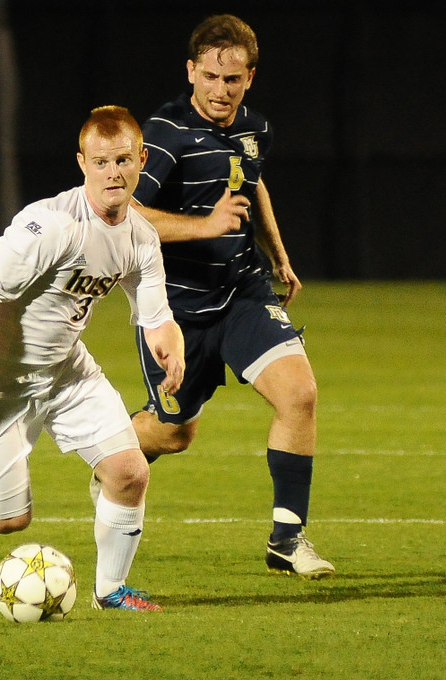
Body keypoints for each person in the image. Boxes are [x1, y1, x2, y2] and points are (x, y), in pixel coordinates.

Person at [0, 105, 185, 612]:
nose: (114, 173)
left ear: (142, 160)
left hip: (67, 371)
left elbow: (156, 317)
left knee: (130, 471)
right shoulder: (48, 226)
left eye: (124, 160)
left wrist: (169, 346)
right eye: (102, 161)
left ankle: (111, 591)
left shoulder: (141, 239)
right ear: (82, 163)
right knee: (8, 522)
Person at [129, 14, 334, 578]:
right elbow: (129, 213)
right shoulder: (163, 136)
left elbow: (253, 180)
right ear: (191, 71)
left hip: (241, 292)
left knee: (299, 394)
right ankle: (113, 460)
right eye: (212, 77)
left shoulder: (254, 128)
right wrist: (205, 225)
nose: (222, 90)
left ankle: (287, 541)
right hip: (176, 310)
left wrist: (277, 253)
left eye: (234, 80)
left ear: (249, 79)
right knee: (173, 434)